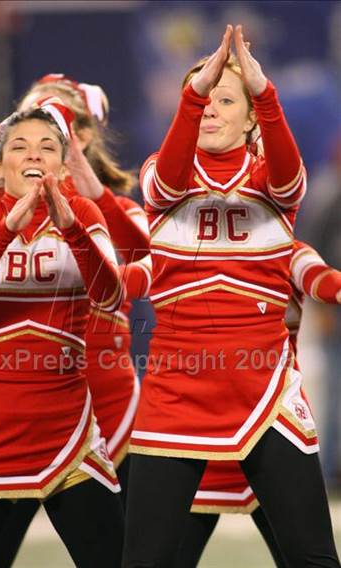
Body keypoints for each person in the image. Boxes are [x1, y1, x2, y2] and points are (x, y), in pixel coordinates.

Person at [123, 24, 340, 567]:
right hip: (177, 389)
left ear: (250, 119)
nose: (211, 109)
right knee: (145, 560)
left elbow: (291, 175)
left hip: (263, 387)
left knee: (312, 557)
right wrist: (196, 94)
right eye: (201, 100)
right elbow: (170, 180)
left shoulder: (274, 181)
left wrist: (265, 94)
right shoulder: (160, 176)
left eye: (226, 99)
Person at [0, 97, 125, 568]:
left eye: (48, 146)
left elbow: (110, 296)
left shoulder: (83, 215)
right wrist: (8, 225)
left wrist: (71, 227)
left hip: (69, 435)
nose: (34, 154)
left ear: (63, 163)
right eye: (19, 146)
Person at [0, 75, 151, 568]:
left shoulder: (114, 208)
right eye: (23, 128)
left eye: (51, 127)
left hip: (109, 400)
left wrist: (82, 176)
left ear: (85, 136)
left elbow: (148, 256)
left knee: (121, 551)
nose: (35, 140)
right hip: (25, 399)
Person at [177, 239, 341, 568]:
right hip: (200, 429)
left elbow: (320, 278)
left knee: (312, 559)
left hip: (270, 428)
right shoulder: (181, 250)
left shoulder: (288, 250)